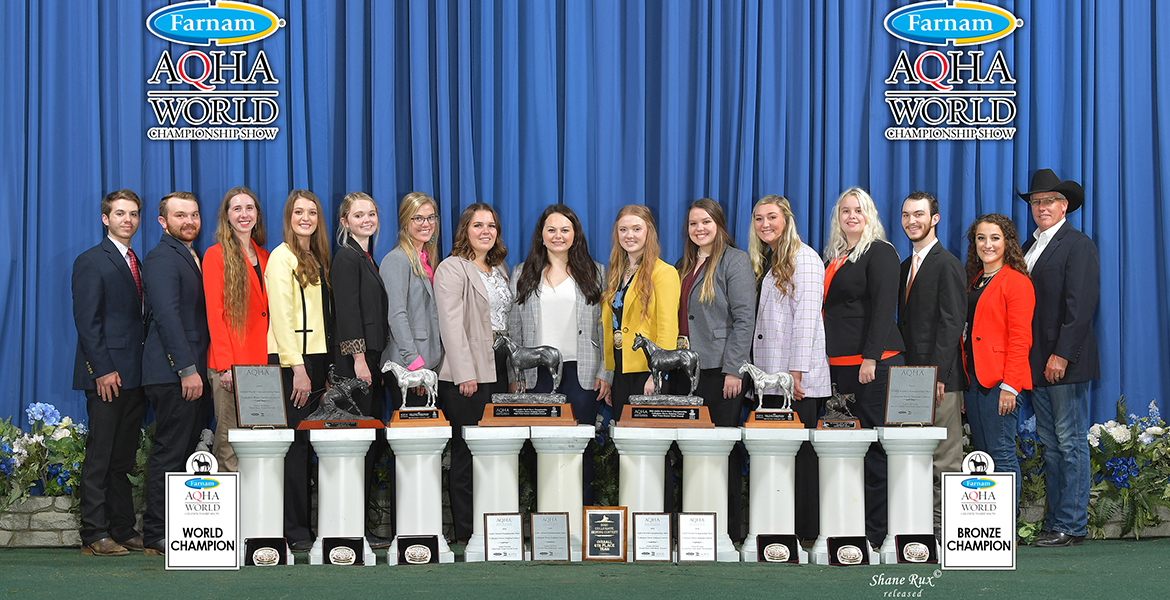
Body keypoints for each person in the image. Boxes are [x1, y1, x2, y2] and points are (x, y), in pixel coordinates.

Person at [1017, 169, 1100, 547]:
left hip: (1062, 361)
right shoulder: (1028, 246)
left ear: (1064, 205)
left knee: (1069, 442)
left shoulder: (1076, 244)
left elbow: (1080, 307)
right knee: (1051, 443)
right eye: (1036, 202)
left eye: (1049, 200)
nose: (1041, 207)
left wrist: (1062, 355)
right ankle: (1056, 521)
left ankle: (1072, 524)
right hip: (1037, 361)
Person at [508, 204, 611, 505]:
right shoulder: (521, 273)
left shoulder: (596, 272)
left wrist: (606, 373)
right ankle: (548, 522)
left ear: (575, 234)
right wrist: (515, 378)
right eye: (551, 229)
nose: (558, 235)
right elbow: (514, 332)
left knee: (581, 447)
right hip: (535, 374)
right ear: (541, 235)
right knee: (537, 448)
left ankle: (582, 516)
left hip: (582, 373)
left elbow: (605, 330)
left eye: (565, 229)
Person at [822, 187, 905, 550]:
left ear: (869, 215)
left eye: (858, 210)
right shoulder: (838, 257)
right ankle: (854, 525)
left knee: (876, 451)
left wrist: (871, 357)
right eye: (845, 211)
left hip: (873, 365)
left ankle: (878, 532)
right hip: (840, 367)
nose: (851, 216)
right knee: (852, 450)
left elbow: (885, 308)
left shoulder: (880, 252)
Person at [748, 195, 831, 544]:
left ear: (787, 219)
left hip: (796, 382)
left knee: (802, 459)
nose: (765, 224)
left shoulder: (805, 258)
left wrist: (795, 374)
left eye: (772, 217)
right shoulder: (772, 260)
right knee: (781, 458)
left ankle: (807, 532)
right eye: (758, 218)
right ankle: (781, 526)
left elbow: (806, 321)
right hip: (773, 379)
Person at [71, 190, 150, 557]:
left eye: (133, 214)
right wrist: (102, 370)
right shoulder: (91, 261)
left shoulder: (139, 261)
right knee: (100, 456)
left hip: (135, 376)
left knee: (122, 459)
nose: (128, 220)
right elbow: (88, 324)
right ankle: (94, 532)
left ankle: (121, 528)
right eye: (120, 214)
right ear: (106, 218)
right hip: (106, 377)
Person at [675, 198, 755, 541]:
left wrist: (734, 370)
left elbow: (744, 319)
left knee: (722, 451)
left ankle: (727, 530)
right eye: (693, 224)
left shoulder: (734, 261)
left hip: (721, 372)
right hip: (686, 372)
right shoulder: (683, 264)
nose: (700, 229)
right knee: (689, 450)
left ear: (719, 224)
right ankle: (695, 528)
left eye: (706, 222)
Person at [434, 202, 511, 544]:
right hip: (467, 375)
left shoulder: (500, 268)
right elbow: (450, 325)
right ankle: (466, 533)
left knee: (493, 452)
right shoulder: (452, 268)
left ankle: (490, 528)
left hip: (499, 367)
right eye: (478, 225)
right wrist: (465, 372)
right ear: (465, 229)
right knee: (465, 454)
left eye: (491, 225)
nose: (486, 232)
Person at [140, 191, 211, 556]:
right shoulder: (161, 258)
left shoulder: (189, 255)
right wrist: (187, 370)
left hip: (189, 370)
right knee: (170, 452)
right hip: (174, 373)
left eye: (194, 215)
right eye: (180, 215)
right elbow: (167, 318)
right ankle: (156, 533)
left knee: (183, 452)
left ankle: (175, 529)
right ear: (162, 222)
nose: (189, 221)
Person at [266, 190, 333, 553]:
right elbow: (282, 316)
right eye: (298, 212)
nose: (305, 217)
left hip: (316, 358)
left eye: (311, 212)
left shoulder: (314, 256)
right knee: (293, 446)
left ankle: (303, 524)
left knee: (307, 445)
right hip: (294, 361)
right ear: (288, 217)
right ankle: (294, 529)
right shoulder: (282, 257)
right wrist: (299, 369)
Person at [896, 191, 966, 538]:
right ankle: (919, 527)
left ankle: (945, 532)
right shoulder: (905, 266)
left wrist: (938, 374)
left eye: (919, 215)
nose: (912, 221)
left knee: (946, 458)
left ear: (934, 218)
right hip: (910, 379)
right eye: (907, 215)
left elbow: (952, 324)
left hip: (940, 380)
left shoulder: (947, 264)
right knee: (916, 456)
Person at [962, 213, 1034, 514]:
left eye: (994, 238)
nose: (987, 244)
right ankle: (987, 523)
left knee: (1002, 454)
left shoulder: (1016, 282)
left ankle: (1006, 527)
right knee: (982, 455)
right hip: (974, 382)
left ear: (1007, 242)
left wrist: (1010, 386)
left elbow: (1021, 339)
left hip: (1000, 383)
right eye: (981, 238)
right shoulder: (975, 282)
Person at [330, 191, 391, 550]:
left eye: (371, 213)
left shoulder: (365, 257)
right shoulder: (346, 258)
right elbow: (348, 314)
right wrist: (358, 360)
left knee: (366, 443)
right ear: (345, 222)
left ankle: (358, 525)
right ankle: (350, 525)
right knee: (356, 443)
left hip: (370, 361)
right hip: (358, 364)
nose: (366, 220)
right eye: (358, 215)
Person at [203, 187, 269, 473]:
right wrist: (225, 366)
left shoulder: (266, 256)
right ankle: (230, 511)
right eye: (237, 209)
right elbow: (215, 315)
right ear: (226, 216)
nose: (244, 214)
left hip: (263, 364)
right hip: (229, 365)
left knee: (258, 440)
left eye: (249, 208)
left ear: (257, 214)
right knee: (228, 440)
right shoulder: (215, 255)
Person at [601, 205, 681, 419]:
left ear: (649, 232)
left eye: (637, 229)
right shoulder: (616, 274)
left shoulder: (664, 273)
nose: (629, 235)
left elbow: (667, 328)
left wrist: (657, 376)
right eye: (623, 230)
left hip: (649, 372)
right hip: (620, 372)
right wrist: (610, 376)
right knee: (623, 441)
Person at [381, 192, 443, 407]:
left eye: (430, 217)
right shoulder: (396, 260)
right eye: (418, 218)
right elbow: (396, 315)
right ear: (405, 221)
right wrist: (414, 364)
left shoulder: (426, 258)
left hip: (428, 362)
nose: (426, 224)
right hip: (408, 363)